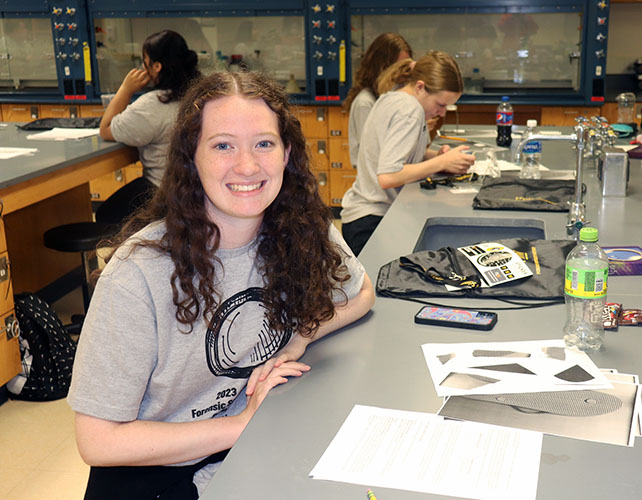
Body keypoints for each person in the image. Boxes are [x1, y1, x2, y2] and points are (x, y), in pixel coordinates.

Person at [68, 71, 375, 499]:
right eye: (223, 145)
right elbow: (97, 442)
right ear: (192, 157)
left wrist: (299, 338)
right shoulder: (138, 274)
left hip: (247, 450)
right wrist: (239, 424)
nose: (247, 166)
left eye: (264, 143)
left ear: (287, 154)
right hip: (157, 472)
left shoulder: (301, 227)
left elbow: (362, 293)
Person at [340, 51, 475, 256]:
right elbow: (388, 176)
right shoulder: (410, 110)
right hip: (371, 221)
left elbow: (397, 152)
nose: (442, 113)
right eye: (440, 104)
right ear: (420, 87)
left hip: (360, 218)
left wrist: (438, 157)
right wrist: (441, 163)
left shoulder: (392, 97)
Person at [97, 30, 201, 226]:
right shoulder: (202, 96)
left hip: (162, 190)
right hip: (199, 192)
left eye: (145, 60)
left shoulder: (152, 106)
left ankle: (131, 253)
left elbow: (106, 128)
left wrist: (126, 89)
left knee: (105, 215)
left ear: (156, 66)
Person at [343, 33, 412, 168]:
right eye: (398, 67)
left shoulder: (393, 98)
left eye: (406, 68)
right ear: (382, 67)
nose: (402, 74)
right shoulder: (365, 102)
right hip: (375, 179)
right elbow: (374, 155)